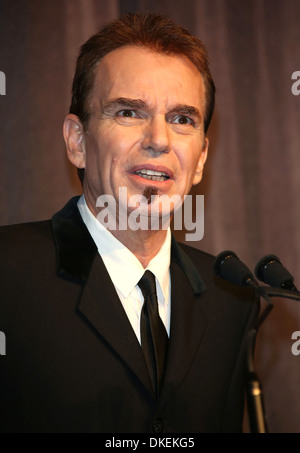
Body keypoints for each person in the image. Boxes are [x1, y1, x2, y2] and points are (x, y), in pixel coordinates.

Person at [0, 13, 258, 433]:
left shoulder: (233, 299)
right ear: (77, 142)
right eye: (128, 112)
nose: (159, 139)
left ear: (201, 160)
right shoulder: (7, 274)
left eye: (182, 119)